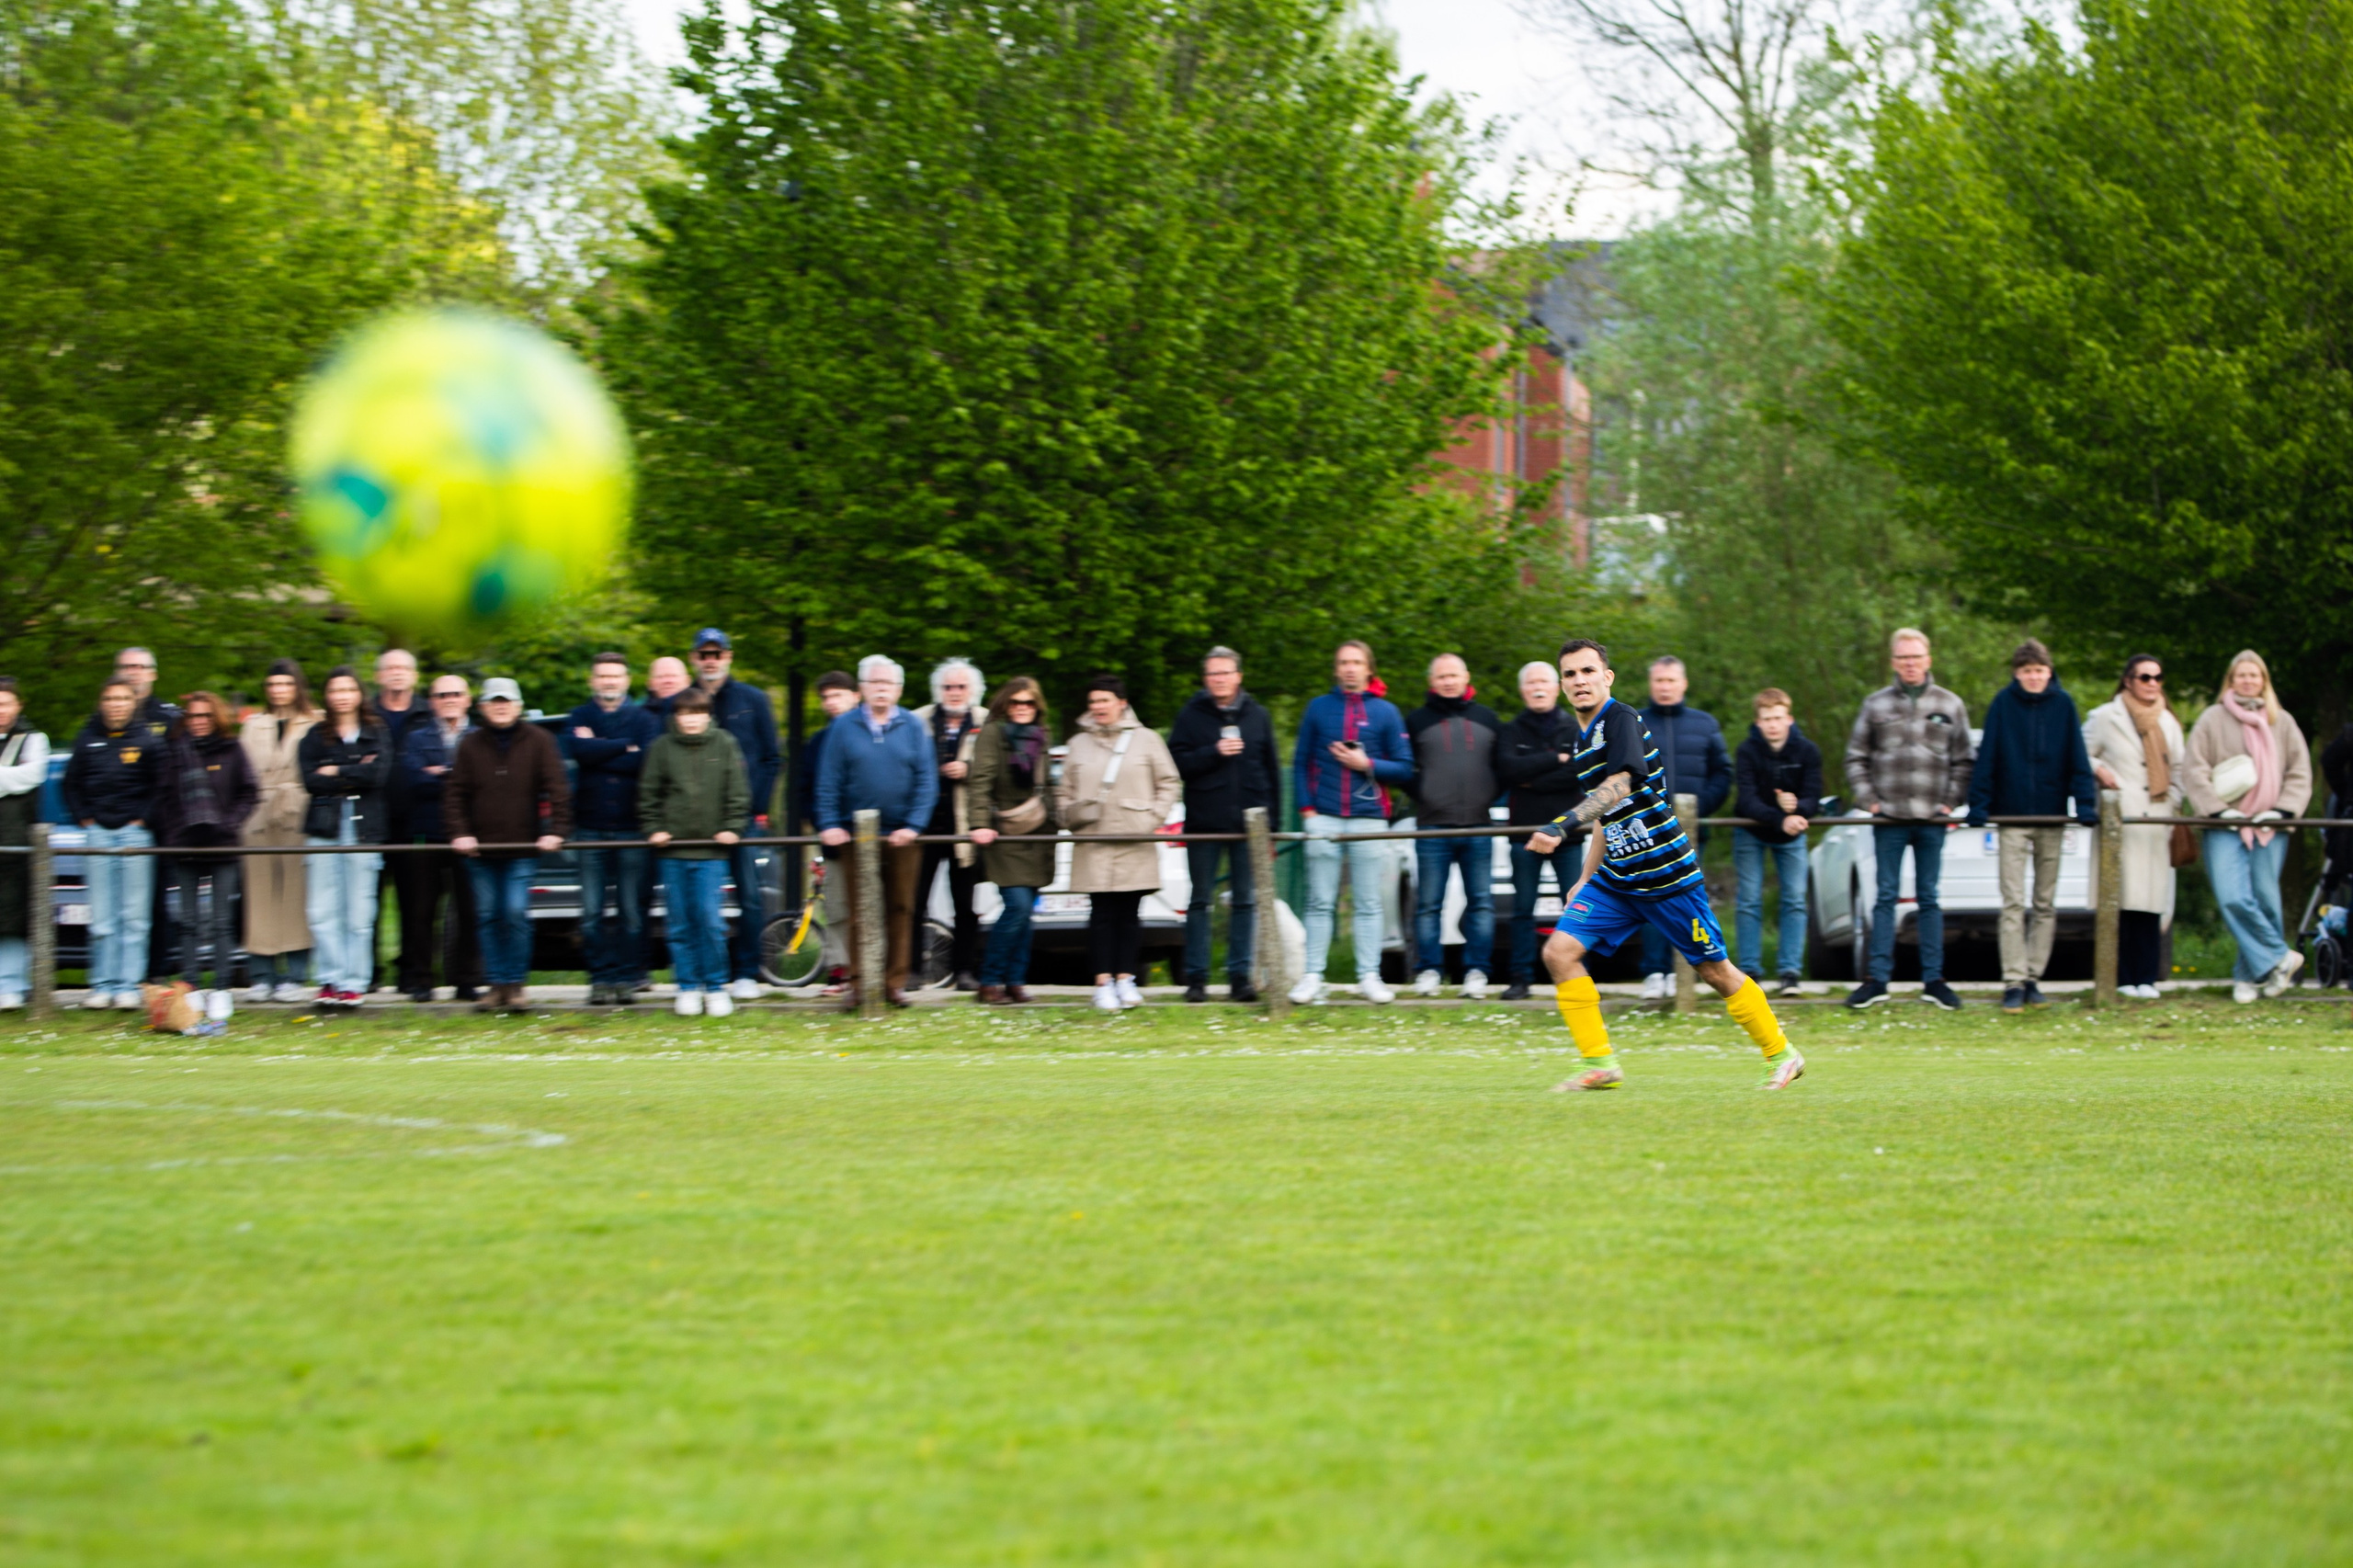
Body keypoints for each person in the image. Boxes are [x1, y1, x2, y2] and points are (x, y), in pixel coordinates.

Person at [1529, 641, 1807, 1093]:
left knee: (1715, 971)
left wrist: (1562, 824)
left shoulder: (1620, 719)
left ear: (1607, 677)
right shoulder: (1581, 742)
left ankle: (1782, 1054)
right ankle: (1600, 1064)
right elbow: (1606, 815)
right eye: (1571, 674)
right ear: (1562, 684)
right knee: (1558, 953)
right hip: (1618, 879)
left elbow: (1619, 786)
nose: (1580, 680)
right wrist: (1584, 878)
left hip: (1667, 876)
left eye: (1588, 671)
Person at [1844, 628, 1975, 1011]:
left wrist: (1949, 803)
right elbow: (1855, 757)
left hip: (1932, 819)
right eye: (1903, 658)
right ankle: (1877, 980)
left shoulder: (1950, 704)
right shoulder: (1875, 705)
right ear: (1893, 662)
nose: (1910, 664)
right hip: (1889, 819)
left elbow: (1964, 760)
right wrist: (1870, 801)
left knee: (1929, 897)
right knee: (1885, 896)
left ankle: (1934, 980)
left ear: (1928, 659)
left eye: (1916, 657)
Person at [1966, 639, 2100, 1012]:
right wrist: (1979, 804)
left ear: (2049, 672)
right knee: (2012, 901)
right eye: (2027, 672)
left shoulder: (2064, 705)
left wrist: (2084, 804)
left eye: (2039, 671)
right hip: (2011, 818)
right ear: (2017, 674)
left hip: (2051, 817)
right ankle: (2012, 979)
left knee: (2044, 902)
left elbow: (2077, 757)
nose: (2034, 678)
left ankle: (2033, 977)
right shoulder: (2003, 704)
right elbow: (1988, 754)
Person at [1290, 640, 1413, 1006]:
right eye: (1343, 662)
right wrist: (1307, 811)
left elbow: (1405, 768)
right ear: (1336, 669)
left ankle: (1369, 976)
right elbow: (1300, 763)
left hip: (1370, 821)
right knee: (1319, 902)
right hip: (1323, 819)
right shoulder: (1318, 707)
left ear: (1368, 669)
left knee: (1369, 903)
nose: (1349, 668)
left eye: (1356, 662)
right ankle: (1312, 976)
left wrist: (1367, 765)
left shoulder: (1386, 712)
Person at [2185, 650, 2312, 1004]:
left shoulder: (2282, 721)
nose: (2247, 681)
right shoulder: (2212, 719)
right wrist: (2217, 810)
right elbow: (2194, 768)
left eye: (2254, 675)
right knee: (2233, 896)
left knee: (2265, 900)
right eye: (2241, 675)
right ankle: (2281, 958)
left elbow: (2299, 771)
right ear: (2231, 680)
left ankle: (2249, 977)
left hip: (2270, 825)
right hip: (2225, 824)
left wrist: (2283, 811)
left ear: (2263, 680)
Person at [814, 655, 936, 1008]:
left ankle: (893, 983)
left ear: (899, 689)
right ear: (863, 688)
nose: (881, 689)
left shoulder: (914, 726)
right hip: (856, 835)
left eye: (888, 683)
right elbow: (829, 778)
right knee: (859, 910)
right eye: (875, 682)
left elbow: (926, 780)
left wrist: (913, 825)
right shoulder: (843, 727)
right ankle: (859, 983)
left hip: (902, 836)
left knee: (901, 908)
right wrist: (829, 824)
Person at [447, 676, 572, 1013]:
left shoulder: (540, 740)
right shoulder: (469, 744)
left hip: (523, 849)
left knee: (515, 912)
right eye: (494, 702)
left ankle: (515, 984)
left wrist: (556, 831)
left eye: (507, 701)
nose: (501, 707)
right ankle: (495, 984)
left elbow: (558, 789)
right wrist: (460, 832)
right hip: (479, 851)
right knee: (487, 914)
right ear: (482, 707)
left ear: (518, 706)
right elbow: (455, 793)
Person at [1058, 675, 1181, 1013]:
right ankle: (1102, 983)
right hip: (1093, 840)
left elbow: (1169, 782)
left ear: (1121, 703)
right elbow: (1063, 791)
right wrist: (1069, 814)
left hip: (1134, 838)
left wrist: (1152, 818)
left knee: (1129, 913)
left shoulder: (1147, 740)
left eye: (1104, 700)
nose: (1097, 707)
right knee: (1100, 914)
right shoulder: (1078, 744)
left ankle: (1126, 979)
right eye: (1093, 701)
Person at [1167, 646, 1278, 1003]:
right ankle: (1196, 978)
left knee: (1245, 901)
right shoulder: (1190, 715)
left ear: (1238, 676)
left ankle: (1239, 978)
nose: (1219, 679)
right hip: (1205, 824)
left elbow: (1272, 772)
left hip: (1250, 825)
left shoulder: (1258, 715)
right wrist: (1213, 752)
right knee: (1200, 900)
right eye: (1213, 673)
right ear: (1205, 679)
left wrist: (1272, 828)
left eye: (1226, 672)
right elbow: (1176, 764)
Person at [640, 687, 751, 1017]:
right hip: (673, 851)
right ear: (676, 716)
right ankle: (687, 986)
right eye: (685, 714)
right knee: (679, 923)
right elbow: (649, 793)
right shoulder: (662, 748)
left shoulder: (725, 743)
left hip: (711, 852)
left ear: (708, 715)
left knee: (710, 920)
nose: (691, 720)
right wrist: (654, 828)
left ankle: (715, 987)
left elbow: (738, 792)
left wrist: (732, 827)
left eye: (698, 713)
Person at [2084, 655, 2186, 1001]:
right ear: (2129, 680)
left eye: (2158, 677)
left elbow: (2180, 767)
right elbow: (2079, 753)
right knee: (2121, 900)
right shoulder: (2104, 717)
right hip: (2121, 819)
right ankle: (2121, 977)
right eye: (2145, 677)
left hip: (2156, 820)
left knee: (2152, 902)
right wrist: (2099, 769)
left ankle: (2147, 977)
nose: (2152, 683)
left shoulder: (2168, 721)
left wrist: (2171, 801)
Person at [1404, 653, 1503, 999]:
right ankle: (1429, 971)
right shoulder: (1416, 721)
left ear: (1466, 677)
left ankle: (1477, 972)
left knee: (1481, 903)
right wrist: (1427, 795)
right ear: (1432, 681)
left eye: (1454, 675)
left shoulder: (1488, 719)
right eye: (1441, 676)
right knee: (1429, 904)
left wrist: (1485, 796)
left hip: (1479, 827)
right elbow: (1404, 769)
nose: (1448, 681)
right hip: (1433, 828)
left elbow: (1503, 768)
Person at [689, 630, 781, 1000]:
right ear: (694, 658)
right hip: (696, 822)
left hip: (742, 820)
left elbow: (772, 758)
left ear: (728, 656)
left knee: (750, 897)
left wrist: (756, 806)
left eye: (717, 653)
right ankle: (700, 975)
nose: (710, 660)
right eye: (704, 654)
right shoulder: (681, 702)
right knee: (699, 901)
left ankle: (746, 972)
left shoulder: (753, 699)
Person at [1634, 656, 1732, 1001]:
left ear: (1684, 684)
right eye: (1659, 680)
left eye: (1671, 680)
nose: (1665, 687)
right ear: (1651, 684)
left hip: (1690, 833)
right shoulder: (1635, 723)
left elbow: (1723, 773)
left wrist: (1698, 808)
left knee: (1686, 903)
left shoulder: (1705, 724)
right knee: (1650, 900)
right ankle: (1653, 972)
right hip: (1647, 833)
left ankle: (1685, 973)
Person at [154, 692, 257, 1020]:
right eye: (193, 716)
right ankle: (192, 987)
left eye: (205, 716)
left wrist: (228, 823)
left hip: (223, 845)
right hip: (185, 845)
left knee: (222, 922)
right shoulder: (174, 751)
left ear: (216, 717)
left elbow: (249, 791)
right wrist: (175, 831)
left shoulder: (232, 748)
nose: (198, 722)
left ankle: (222, 989)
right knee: (187, 923)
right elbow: (163, 797)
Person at [62, 678, 163, 1008]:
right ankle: (102, 985)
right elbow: (71, 784)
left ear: (133, 703)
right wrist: (85, 819)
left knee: (135, 916)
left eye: (123, 698)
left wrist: (142, 820)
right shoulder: (86, 738)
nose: (116, 704)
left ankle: (129, 986)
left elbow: (161, 786)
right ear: (101, 703)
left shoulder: (148, 740)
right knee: (102, 916)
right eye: (110, 698)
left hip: (136, 835)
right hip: (98, 834)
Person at [567, 653, 660, 1005]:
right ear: (592, 680)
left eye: (616, 676)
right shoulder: (579, 715)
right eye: (603, 676)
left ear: (627, 680)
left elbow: (644, 761)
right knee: (591, 913)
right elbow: (580, 752)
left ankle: (625, 978)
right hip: (589, 828)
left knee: (630, 912)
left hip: (632, 829)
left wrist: (598, 747)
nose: (609, 681)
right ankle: (600, 979)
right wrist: (623, 745)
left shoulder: (644, 719)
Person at [297, 667, 392, 1008]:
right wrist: (355, 770)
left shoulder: (376, 732)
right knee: (321, 909)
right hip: (324, 829)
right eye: (335, 690)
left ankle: (354, 982)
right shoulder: (313, 736)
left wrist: (335, 769)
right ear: (327, 696)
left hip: (364, 830)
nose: (342, 696)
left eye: (348, 689)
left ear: (359, 694)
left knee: (359, 912)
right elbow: (310, 780)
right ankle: (330, 979)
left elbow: (377, 776)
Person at [965, 677, 1059, 1004]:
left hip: (1039, 830)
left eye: (1028, 702)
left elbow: (1047, 782)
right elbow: (980, 781)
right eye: (1015, 702)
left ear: (1037, 706)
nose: (1022, 708)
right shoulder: (993, 733)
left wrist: (1059, 816)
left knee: (1026, 910)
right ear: (1005, 704)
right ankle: (990, 980)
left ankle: (1015, 980)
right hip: (1004, 831)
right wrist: (979, 823)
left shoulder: (1042, 733)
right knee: (1016, 905)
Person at [1495, 660, 1585, 1001]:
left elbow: (1576, 773)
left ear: (1557, 687)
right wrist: (1553, 759)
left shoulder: (1575, 728)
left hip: (1567, 832)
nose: (1537, 688)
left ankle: (1578, 977)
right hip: (1524, 832)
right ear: (1523, 690)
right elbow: (1508, 770)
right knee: (1522, 909)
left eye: (1544, 682)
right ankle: (1520, 978)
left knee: (1575, 907)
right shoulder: (1510, 731)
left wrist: (1532, 780)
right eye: (1531, 683)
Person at [396, 676, 483, 1002]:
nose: (449, 699)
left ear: (468, 699)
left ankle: (467, 980)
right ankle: (422, 981)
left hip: (470, 835)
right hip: (426, 835)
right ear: (432, 701)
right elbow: (414, 781)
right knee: (421, 912)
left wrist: (440, 772)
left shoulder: (481, 737)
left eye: (456, 694)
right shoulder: (416, 738)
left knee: (470, 912)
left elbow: (483, 785)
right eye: (442, 694)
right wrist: (458, 776)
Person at [1731, 688, 1823, 996]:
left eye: (1778, 718)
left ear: (1789, 719)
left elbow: (1814, 795)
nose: (1773, 724)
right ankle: (1750, 972)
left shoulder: (1808, 751)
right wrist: (1779, 817)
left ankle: (1790, 973)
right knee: (1749, 899)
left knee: (1795, 899)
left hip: (1792, 831)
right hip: (1751, 830)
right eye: (1767, 719)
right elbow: (1746, 799)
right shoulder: (1747, 751)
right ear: (1758, 722)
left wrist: (1798, 810)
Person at [239, 660, 316, 1003]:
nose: (278, 690)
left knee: (296, 894)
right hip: (258, 814)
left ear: (297, 686)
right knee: (259, 894)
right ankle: (261, 975)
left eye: (285, 683)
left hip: (298, 812)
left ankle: (295, 975)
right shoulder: (253, 725)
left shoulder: (316, 721)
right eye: (272, 684)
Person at [913, 658, 986, 991]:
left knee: (965, 905)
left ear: (973, 690)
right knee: (914, 902)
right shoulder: (917, 720)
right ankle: (912, 970)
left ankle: (965, 971)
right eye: (948, 687)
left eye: (961, 687)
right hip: (924, 826)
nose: (954, 692)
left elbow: (994, 768)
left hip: (965, 827)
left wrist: (968, 769)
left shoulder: (986, 721)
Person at [793, 672, 860, 994]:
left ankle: (876, 972)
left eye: (838, 695)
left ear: (856, 696)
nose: (831, 702)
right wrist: (824, 826)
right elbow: (805, 789)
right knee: (836, 906)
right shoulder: (818, 741)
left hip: (875, 835)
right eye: (826, 697)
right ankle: (841, 970)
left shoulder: (874, 733)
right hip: (834, 838)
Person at [113, 647, 177, 983]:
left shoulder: (169, 718)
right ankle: (118, 977)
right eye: (127, 667)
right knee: (116, 905)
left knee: (154, 902)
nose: (133, 672)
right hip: (113, 821)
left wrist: (148, 815)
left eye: (140, 667)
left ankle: (154, 975)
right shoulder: (103, 718)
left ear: (153, 673)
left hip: (157, 825)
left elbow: (173, 774)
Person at [370, 648, 425, 994]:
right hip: (370, 822)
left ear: (414, 676)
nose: (396, 672)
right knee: (367, 903)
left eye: (403, 667)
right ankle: (368, 974)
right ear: (378, 676)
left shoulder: (428, 712)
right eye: (390, 667)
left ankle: (411, 974)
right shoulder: (365, 714)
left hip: (415, 823)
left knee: (415, 903)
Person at [0, 679, 51, 1010]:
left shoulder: (34, 740)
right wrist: (9, 777)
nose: (1, 710)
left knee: (12, 915)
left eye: (6, 703)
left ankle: (11, 985)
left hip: (16, 841)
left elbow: (31, 776)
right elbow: (15, 779)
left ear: (18, 706)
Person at [644, 655, 691, 720]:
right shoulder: (639, 718)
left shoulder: (703, 710)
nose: (668, 681)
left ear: (687, 681)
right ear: (650, 683)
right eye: (660, 677)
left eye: (674, 676)